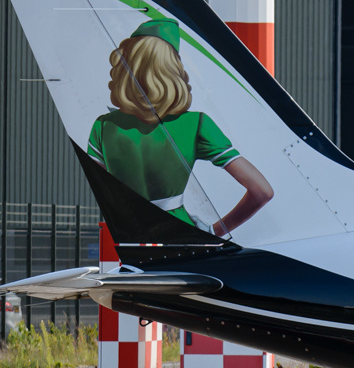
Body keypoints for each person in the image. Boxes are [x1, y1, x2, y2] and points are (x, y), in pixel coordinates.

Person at [87, 19, 272, 236]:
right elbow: (262, 191)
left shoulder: (103, 126)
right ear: (173, 67)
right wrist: (214, 231)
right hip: (181, 237)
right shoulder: (197, 124)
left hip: (129, 238)